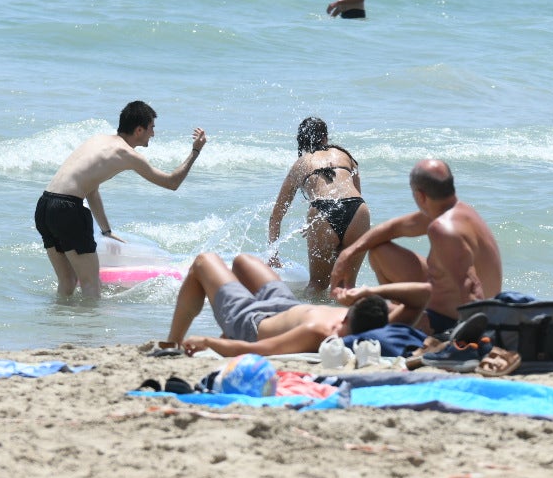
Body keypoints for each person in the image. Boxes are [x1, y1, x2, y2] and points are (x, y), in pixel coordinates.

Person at [36, 101, 206, 299]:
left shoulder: (98, 140)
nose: (153, 133)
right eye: (152, 128)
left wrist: (106, 231)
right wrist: (195, 151)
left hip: (45, 206)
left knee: (68, 282)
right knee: (91, 285)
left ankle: (58, 327)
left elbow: (91, 190)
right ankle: (90, 330)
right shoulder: (126, 154)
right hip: (67, 209)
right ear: (139, 129)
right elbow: (172, 182)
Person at [329, 159, 502, 337]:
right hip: (467, 306)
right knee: (380, 250)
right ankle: (402, 313)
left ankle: (410, 320)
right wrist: (348, 253)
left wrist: (371, 291)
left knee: (363, 335)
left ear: (420, 196)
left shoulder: (443, 229)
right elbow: (394, 228)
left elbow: (472, 291)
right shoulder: (457, 211)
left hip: (457, 319)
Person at [166, 254, 391, 357]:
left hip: (252, 323)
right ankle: (227, 330)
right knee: (243, 262)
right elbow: (416, 298)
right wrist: (371, 291)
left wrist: (208, 342)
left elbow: (260, 349)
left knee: (203, 262)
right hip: (287, 306)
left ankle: (170, 344)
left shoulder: (318, 332)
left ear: (346, 318)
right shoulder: (372, 318)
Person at [267, 117, 370, 294]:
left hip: (323, 211)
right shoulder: (345, 155)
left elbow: (276, 215)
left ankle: (303, 318)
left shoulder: (301, 164)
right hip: (358, 210)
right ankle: (350, 321)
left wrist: (273, 255)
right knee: (347, 287)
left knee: (317, 285)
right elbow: (356, 192)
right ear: (325, 138)